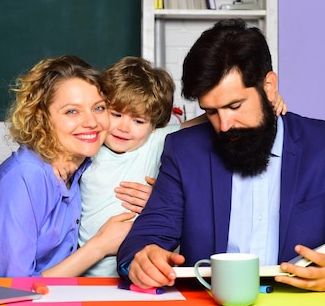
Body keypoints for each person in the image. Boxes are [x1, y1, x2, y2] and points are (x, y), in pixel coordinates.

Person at [116, 19, 325, 292]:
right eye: (211, 111)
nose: (223, 126)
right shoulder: (184, 150)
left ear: (269, 87)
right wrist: (141, 260)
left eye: (235, 105)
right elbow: (144, 238)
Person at [79, 56, 287, 277]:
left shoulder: (156, 141)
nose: (123, 127)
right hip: (84, 269)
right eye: (116, 115)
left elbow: (211, 115)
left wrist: (264, 98)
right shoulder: (87, 146)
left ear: (152, 126)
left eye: (138, 121)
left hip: (137, 272)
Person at [0, 55, 135, 278]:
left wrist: (156, 193)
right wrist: (99, 247)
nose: (91, 122)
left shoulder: (78, 166)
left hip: (50, 299)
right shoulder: (26, 175)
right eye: (72, 111)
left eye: (99, 108)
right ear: (41, 118)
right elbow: (15, 286)